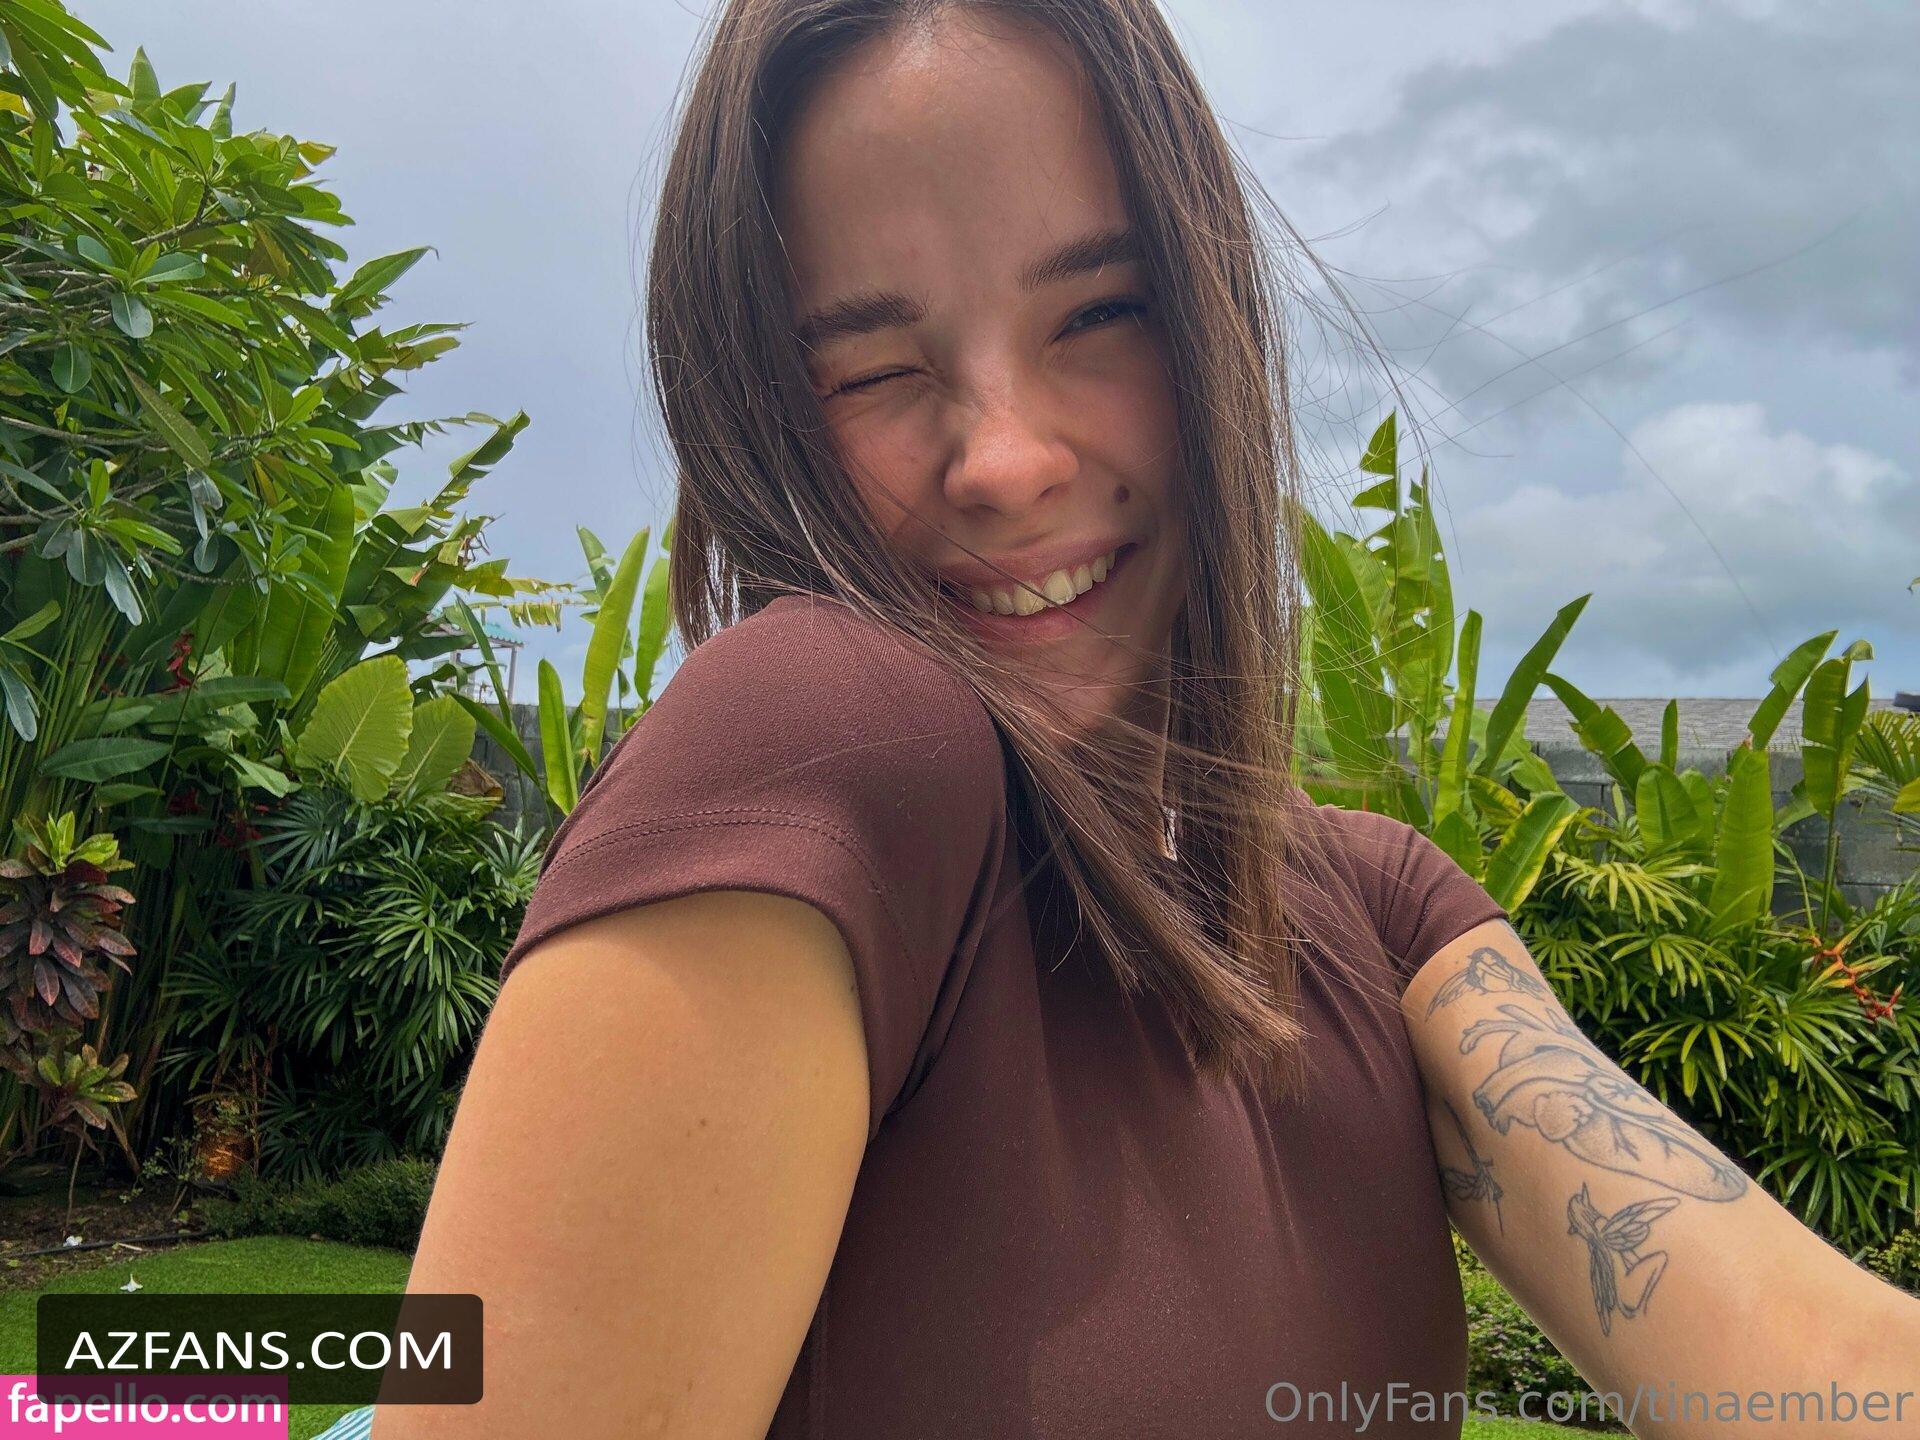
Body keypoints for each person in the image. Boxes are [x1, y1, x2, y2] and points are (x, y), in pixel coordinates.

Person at [344, 1, 1920, 1436]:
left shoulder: (1379, 911)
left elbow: (1814, 1364)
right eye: (872, 369)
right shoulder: (828, 739)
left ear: (1209, 322)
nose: (1006, 460)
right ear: (760, 417)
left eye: (1101, 313)